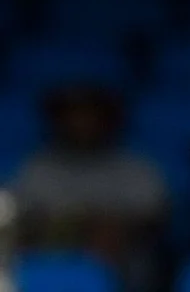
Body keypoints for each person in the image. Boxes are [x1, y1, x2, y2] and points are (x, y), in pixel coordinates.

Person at [10, 84, 168, 292]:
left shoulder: (136, 169)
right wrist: (71, 228)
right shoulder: (37, 168)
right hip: (49, 257)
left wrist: (113, 228)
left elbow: (154, 220)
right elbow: (17, 220)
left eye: (90, 116)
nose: (82, 124)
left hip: (120, 265)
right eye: (73, 116)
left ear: (108, 121)